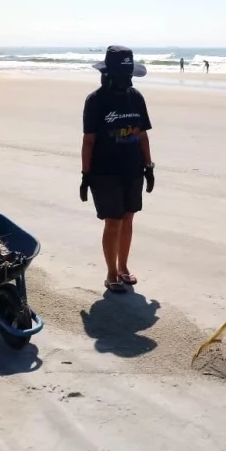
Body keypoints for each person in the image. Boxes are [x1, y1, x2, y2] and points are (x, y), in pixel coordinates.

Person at [80, 45, 156, 293]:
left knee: (128, 219)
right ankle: (111, 272)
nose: (127, 80)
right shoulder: (95, 100)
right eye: (123, 75)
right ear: (108, 74)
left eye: (129, 75)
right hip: (105, 172)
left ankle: (123, 267)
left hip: (133, 169)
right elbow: (88, 141)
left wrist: (149, 167)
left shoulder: (136, 98)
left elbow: (142, 135)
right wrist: (85, 175)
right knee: (113, 221)